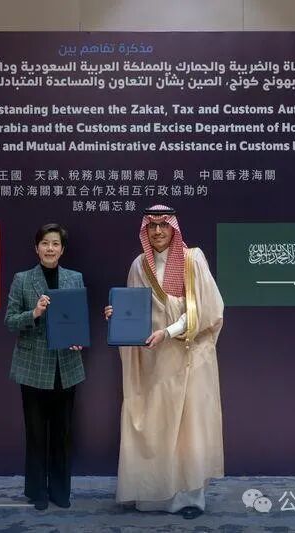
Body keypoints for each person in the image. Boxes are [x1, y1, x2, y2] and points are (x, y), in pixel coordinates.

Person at [104, 205, 224, 520]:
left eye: (163, 225)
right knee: (157, 426)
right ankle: (153, 495)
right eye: (152, 226)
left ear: (173, 228)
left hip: (189, 355)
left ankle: (189, 498)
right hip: (153, 359)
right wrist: (116, 316)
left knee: (188, 428)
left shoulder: (192, 260)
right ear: (145, 230)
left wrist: (169, 332)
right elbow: (133, 310)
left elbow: (207, 308)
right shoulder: (139, 265)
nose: (158, 231)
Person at [5, 223, 84, 511]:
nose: (50, 248)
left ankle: (60, 492)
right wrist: (35, 313)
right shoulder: (22, 279)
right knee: (36, 435)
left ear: (62, 250)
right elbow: (10, 321)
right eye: (45, 243)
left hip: (66, 365)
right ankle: (37, 492)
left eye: (55, 244)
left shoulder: (74, 278)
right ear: (36, 248)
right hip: (32, 367)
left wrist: (78, 339)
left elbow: (78, 319)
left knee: (62, 434)